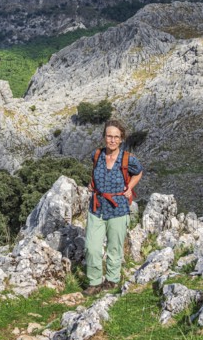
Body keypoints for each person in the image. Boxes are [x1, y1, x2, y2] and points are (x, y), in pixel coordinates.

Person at [83, 119, 143, 296]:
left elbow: (139, 172)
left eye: (116, 137)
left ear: (121, 139)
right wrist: (91, 183)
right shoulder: (96, 155)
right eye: (109, 136)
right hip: (97, 207)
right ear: (104, 137)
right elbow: (95, 172)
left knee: (114, 247)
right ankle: (94, 282)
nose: (112, 140)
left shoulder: (127, 159)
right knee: (91, 246)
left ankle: (112, 279)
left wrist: (129, 187)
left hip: (118, 208)